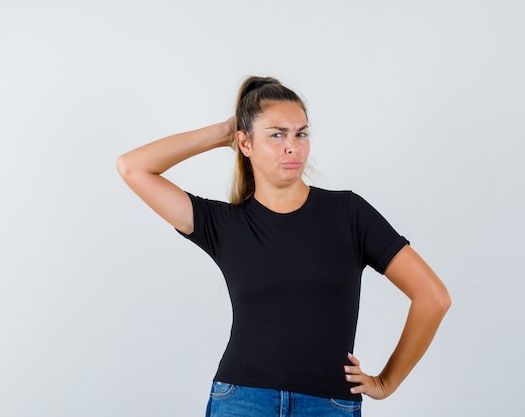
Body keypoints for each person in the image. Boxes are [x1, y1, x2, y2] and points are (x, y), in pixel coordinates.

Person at [116, 76, 451, 417]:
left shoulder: (349, 214)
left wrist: (386, 382)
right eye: (277, 134)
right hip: (241, 400)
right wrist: (225, 132)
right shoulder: (223, 224)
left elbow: (433, 297)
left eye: (300, 133)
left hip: (328, 404)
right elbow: (133, 167)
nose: (293, 146)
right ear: (245, 143)